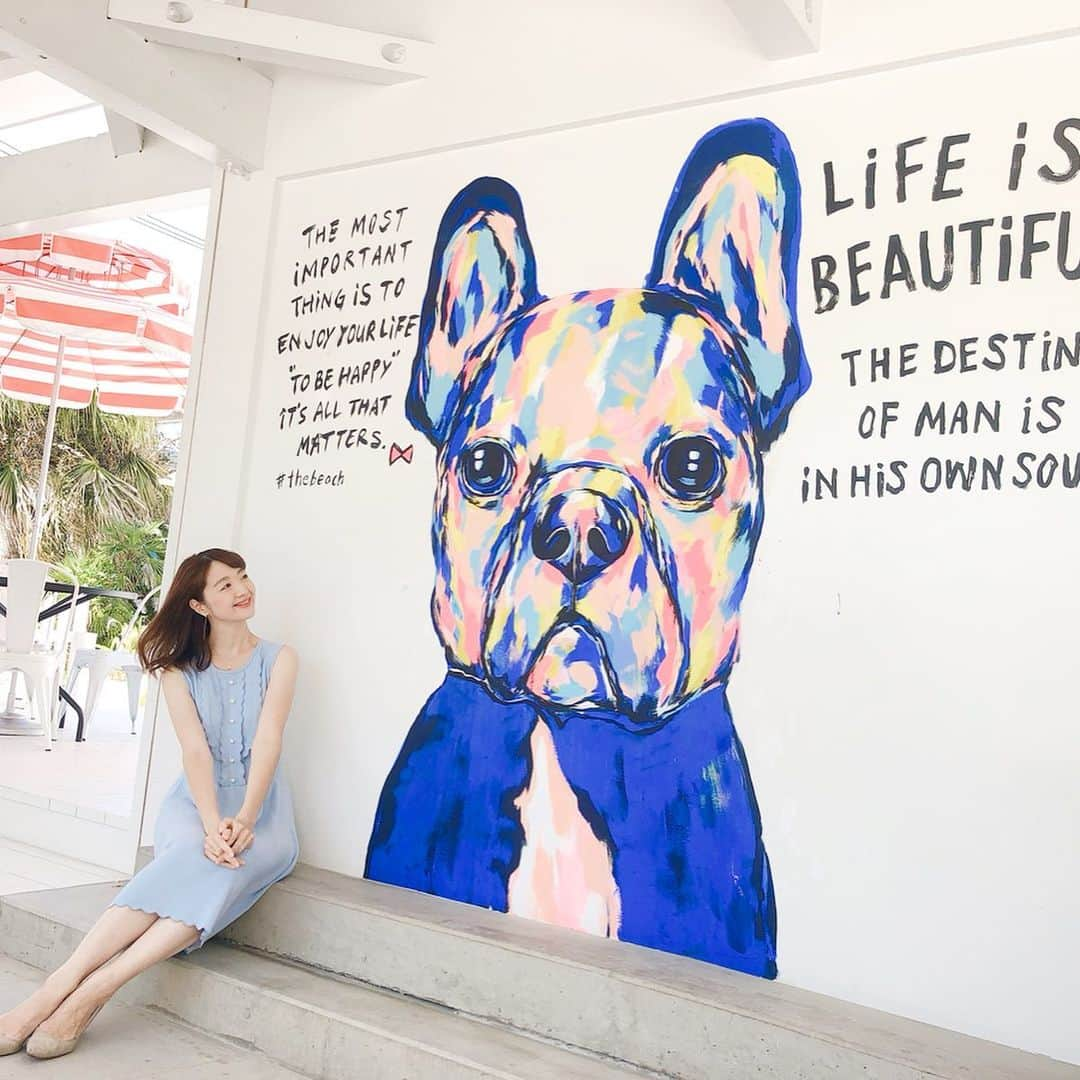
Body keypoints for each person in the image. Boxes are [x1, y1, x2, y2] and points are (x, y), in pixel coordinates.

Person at [0, 548, 299, 1060]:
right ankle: (57, 988)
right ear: (200, 605)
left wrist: (245, 819)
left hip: (262, 811)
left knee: (227, 866)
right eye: (224, 585)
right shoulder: (178, 671)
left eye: (242, 577)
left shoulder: (280, 658)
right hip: (195, 805)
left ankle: (94, 992)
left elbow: (269, 740)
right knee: (193, 855)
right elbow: (195, 751)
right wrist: (210, 823)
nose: (242, 589)